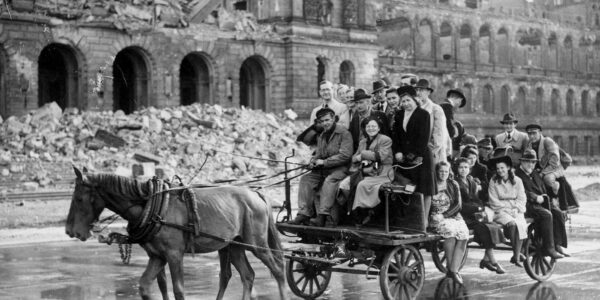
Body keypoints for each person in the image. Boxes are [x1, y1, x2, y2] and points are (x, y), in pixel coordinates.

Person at [289, 107, 353, 227]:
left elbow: (345, 156)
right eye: (322, 121)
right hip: (324, 170)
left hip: (341, 169)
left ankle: (323, 216)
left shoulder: (344, 133)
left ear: (334, 118)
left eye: (327, 120)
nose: (325, 123)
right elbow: (319, 153)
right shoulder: (323, 134)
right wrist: (313, 161)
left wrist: (324, 162)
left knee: (329, 181)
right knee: (306, 180)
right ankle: (303, 214)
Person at [392, 85, 435, 226]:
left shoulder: (423, 115)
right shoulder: (399, 115)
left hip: (421, 157)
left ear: (415, 100)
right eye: (403, 101)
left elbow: (423, 139)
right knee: (407, 188)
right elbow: (396, 136)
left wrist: (411, 155)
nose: (405, 104)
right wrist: (398, 151)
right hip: (403, 158)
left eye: (408, 100)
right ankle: (410, 219)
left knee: (425, 189)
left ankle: (424, 220)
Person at [454, 158, 506, 274]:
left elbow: (477, 199)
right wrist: (477, 209)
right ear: (457, 169)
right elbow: (460, 204)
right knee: (483, 228)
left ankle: (486, 259)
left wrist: (482, 208)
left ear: (469, 169)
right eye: (461, 167)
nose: (463, 170)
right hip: (463, 215)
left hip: (474, 214)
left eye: (466, 167)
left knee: (494, 226)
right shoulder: (455, 183)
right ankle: (493, 261)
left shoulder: (471, 181)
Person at [514, 149, 568, 258]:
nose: (531, 164)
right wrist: (534, 197)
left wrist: (552, 193)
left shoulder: (534, 173)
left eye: (533, 162)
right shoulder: (516, 175)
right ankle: (549, 248)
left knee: (558, 212)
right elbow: (518, 191)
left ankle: (557, 244)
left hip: (540, 203)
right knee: (546, 215)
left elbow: (542, 189)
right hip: (526, 204)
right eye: (528, 161)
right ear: (522, 162)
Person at [430, 161, 469, 284]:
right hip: (437, 217)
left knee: (463, 235)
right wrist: (437, 216)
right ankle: (452, 270)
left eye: (446, 171)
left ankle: (453, 269)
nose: (443, 174)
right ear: (437, 172)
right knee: (450, 232)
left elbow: (458, 205)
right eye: (441, 171)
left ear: (449, 172)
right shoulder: (432, 184)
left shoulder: (453, 184)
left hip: (453, 215)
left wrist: (445, 215)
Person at [350, 117, 394, 225]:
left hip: (384, 171)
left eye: (374, 126)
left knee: (362, 185)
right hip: (367, 169)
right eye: (368, 126)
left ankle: (363, 213)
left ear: (379, 128)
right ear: (365, 128)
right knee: (347, 184)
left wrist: (363, 155)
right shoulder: (363, 141)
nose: (371, 128)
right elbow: (354, 158)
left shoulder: (385, 140)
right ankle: (358, 212)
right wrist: (359, 158)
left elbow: (380, 157)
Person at [488, 155, 528, 267]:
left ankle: (515, 256)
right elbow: (493, 200)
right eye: (498, 169)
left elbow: (522, 197)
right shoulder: (494, 181)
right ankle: (517, 254)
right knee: (512, 224)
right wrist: (506, 209)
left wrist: (516, 208)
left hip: (515, 208)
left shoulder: (517, 181)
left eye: (502, 168)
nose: (500, 170)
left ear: (508, 168)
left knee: (520, 224)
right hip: (500, 210)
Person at [415, 79, 450, 165]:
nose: (418, 93)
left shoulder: (435, 109)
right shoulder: (415, 109)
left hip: (432, 154)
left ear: (428, 92)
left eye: (422, 90)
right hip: (416, 154)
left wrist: (427, 153)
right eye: (417, 90)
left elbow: (439, 136)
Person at [524, 124, 564, 196]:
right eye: (529, 134)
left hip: (554, 169)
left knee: (547, 179)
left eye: (534, 133)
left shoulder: (547, 141)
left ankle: (554, 196)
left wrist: (542, 173)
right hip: (539, 169)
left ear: (540, 133)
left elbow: (555, 162)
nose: (532, 136)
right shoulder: (529, 144)